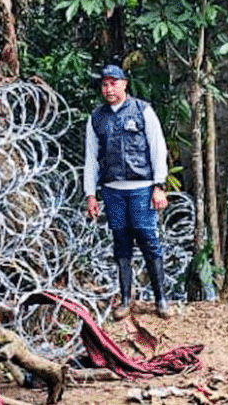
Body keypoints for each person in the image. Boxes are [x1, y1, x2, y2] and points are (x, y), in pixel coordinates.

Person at [83, 64, 172, 319]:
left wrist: (159, 185)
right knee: (121, 243)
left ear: (124, 84)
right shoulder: (97, 118)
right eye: (104, 84)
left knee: (148, 240)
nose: (109, 88)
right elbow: (91, 158)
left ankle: (161, 299)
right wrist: (91, 194)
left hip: (141, 188)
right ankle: (124, 300)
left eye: (114, 83)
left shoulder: (143, 111)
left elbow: (157, 148)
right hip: (112, 190)